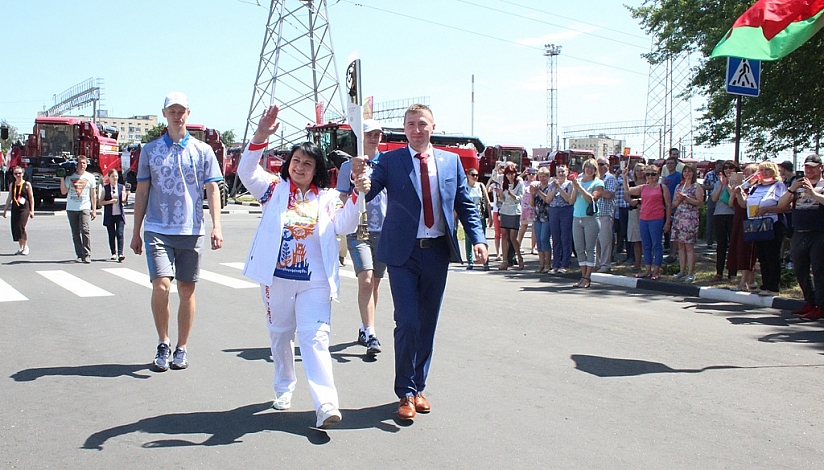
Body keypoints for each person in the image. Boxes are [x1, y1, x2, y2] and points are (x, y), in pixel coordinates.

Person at [352, 103, 488, 421]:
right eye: (411, 124)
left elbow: (465, 205)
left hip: (437, 251)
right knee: (408, 322)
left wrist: (479, 239)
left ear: (432, 126)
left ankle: (418, 387)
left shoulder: (451, 162)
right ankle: (405, 392)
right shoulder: (391, 160)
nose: (417, 129)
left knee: (427, 323)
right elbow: (368, 192)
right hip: (403, 253)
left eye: (422, 123)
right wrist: (360, 180)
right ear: (404, 129)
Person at [239, 106, 367, 429]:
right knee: (281, 335)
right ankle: (284, 385)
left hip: (315, 281)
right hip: (277, 279)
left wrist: (358, 193)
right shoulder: (273, 190)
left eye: (307, 164)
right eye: (296, 161)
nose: (299, 167)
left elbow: (346, 225)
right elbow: (246, 171)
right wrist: (261, 135)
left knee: (315, 337)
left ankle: (326, 404)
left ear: (316, 170)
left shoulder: (327, 198)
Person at [130, 92, 224, 372]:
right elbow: (142, 191)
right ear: (164, 114)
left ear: (188, 113)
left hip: (191, 229)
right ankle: (163, 341)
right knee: (161, 286)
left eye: (181, 111)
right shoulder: (150, 150)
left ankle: (182, 347)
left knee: (186, 289)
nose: (177, 115)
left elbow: (213, 189)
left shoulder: (202, 150)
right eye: (172, 111)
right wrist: (136, 231)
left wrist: (217, 225)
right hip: (157, 228)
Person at [336, 118, 387, 356]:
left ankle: (365, 326)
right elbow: (342, 198)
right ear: (361, 136)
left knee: (375, 282)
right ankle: (371, 334)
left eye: (377, 134)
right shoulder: (349, 166)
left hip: (383, 230)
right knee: (365, 279)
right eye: (369, 134)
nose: (373, 138)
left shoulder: (386, 163)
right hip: (359, 230)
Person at [780, 155, 824, 319]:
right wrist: (792, 189)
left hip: (819, 233)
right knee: (800, 269)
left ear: (821, 167)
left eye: (813, 167)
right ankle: (809, 301)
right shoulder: (797, 185)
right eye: (807, 167)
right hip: (799, 233)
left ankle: (821, 305)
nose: (809, 170)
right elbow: (781, 204)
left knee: (819, 270)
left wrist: (813, 192)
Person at [740, 161, 787, 296]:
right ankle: (765, 284)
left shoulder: (778, 186)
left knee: (771, 255)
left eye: (767, 170)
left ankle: (773, 287)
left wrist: (767, 209)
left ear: (774, 171)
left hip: (773, 224)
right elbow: (745, 204)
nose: (764, 172)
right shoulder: (755, 187)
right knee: (762, 256)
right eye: (762, 170)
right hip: (757, 225)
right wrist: (738, 193)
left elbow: (785, 206)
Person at [623, 163, 671, 280]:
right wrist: (625, 177)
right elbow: (628, 191)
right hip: (644, 219)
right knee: (646, 245)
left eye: (653, 174)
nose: (650, 176)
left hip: (657, 218)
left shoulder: (662, 187)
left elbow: (668, 205)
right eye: (648, 174)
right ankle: (647, 269)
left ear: (658, 175)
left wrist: (667, 222)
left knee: (657, 245)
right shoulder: (643, 187)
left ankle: (656, 271)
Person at [570, 158, 604, 288]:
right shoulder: (578, 181)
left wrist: (580, 188)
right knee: (579, 248)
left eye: (592, 167)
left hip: (590, 218)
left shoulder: (598, 183)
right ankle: (583, 276)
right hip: (577, 217)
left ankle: (587, 277)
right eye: (587, 167)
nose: (589, 170)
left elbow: (592, 199)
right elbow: (571, 200)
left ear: (595, 170)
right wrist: (575, 187)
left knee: (590, 248)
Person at [59, 155, 97, 263]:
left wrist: (94, 210)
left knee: (85, 230)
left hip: (84, 207)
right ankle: (79, 254)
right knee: (75, 232)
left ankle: (87, 254)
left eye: (84, 163)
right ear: (76, 164)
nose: (82, 165)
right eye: (80, 163)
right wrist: (61, 178)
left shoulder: (90, 177)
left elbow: (93, 194)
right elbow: (63, 191)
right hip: (71, 208)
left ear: (86, 165)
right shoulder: (70, 177)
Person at [670, 163, 704, 283]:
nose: (687, 174)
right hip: (679, 217)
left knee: (689, 246)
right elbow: (674, 203)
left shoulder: (696, 186)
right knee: (680, 245)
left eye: (689, 171)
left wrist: (687, 198)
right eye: (685, 171)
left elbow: (700, 202)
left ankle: (690, 273)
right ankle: (682, 270)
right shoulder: (679, 186)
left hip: (690, 218)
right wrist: (679, 199)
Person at [727, 163, 758, 292]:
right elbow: (731, 203)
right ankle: (750, 281)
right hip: (739, 220)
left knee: (746, 250)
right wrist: (733, 191)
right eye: (745, 173)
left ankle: (744, 282)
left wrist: (739, 193)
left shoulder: (756, 189)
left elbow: (744, 204)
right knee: (739, 248)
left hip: (749, 220)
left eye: (750, 173)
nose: (746, 176)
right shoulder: (743, 187)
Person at [710, 161, 738, 282]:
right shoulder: (718, 182)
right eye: (725, 168)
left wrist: (728, 186)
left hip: (733, 215)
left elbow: (736, 199)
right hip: (719, 214)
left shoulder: (738, 182)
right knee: (721, 244)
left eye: (731, 168)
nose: (728, 170)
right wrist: (722, 185)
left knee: (733, 244)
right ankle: (719, 272)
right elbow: (714, 198)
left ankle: (732, 273)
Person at [496, 163, 525, 270]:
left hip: (514, 211)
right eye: (508, 174)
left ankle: (519, 257)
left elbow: (519, 198)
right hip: (505, 211)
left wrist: (511, 194)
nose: (510, 176)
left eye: (512, 174)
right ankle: (505, 261)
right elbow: (502, 200)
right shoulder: (504, 183)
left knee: (513, 237)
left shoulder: (519, 183)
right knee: (504, 236)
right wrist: (500, 194)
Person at [547, 165, 574, 274]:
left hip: (565, 210)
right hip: (554, 210)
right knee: (555, 238)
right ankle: (556, 264)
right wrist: (555, 188)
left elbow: (568, 199)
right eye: (559, 172)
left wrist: (559, 187)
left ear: (567, 172)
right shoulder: (552, 184)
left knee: (565, 237)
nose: (561, 174)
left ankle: (565, 264)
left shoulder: (570, 184)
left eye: (563, 171)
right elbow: (548, 199)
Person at [2, 166, 34, 255]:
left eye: (19, 173)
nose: (18, 175)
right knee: (15, 227)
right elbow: (9, 197)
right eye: (16, 173)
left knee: (21, 226)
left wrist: (32, 210)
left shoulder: (27, 184)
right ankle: (21, 247)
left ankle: (26, 246)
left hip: (24, 208)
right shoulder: (12, 184)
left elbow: (31, 198)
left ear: (23, 174)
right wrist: (5, 209)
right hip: (15, 207)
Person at [99, 168, 129, 262]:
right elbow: (101, 202)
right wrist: (110, 201)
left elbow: (123, 200)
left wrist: (126, 194)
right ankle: (113, 253)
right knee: (111, 234)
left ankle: (120, 253)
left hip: (119, 214)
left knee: (120, 233)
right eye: (113, 176)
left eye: (116, 176)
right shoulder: (105, 188)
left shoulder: (121, 187)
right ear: (109, 177)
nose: (115, 178)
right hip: (109, 215)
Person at [465, 167, 492, 271]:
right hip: (468, 217)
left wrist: (490, 216)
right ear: (468, 175)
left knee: (482, 239)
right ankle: (470, 261)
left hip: (480, 216)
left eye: (476, 175)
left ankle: (485, 261)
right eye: (473, 175)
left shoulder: (481, 186)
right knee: (469, 239)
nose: (475, 177)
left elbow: (487, 202)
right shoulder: (465, 187)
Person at [595, 157, 618, 273]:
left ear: (607, 166)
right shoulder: (595, 178)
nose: (599, 166)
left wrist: (597, 190)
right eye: (597, 164)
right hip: (594, 214)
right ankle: (596, 264)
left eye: (601, 164)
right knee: (595, 241)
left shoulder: (610, 178)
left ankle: (605, 264)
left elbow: (608, 194)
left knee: (605, 241)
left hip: (605, 214)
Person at [530, 167, 552, 272]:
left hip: (547, 216)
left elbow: (547, 200)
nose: (542, 179)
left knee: (544, 239)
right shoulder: (537, 187)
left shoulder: (550, 187)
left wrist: (538, 191)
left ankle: (548, 264)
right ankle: (541, 264)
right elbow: (532, 204)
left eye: (544, 176)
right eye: (540, 176)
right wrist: (532, 194)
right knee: (538, 240)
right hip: (537, 216)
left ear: (548, 177)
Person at [624, 163, 645, 272]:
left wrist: (640, 202)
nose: (640, 172)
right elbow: (625, 195)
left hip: (647, 213)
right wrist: (632, 201)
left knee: (647, 240)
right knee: (636, 239)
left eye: (642, 170)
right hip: (633, 212)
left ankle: (648, 264)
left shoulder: (649, 184)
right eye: (637, 170)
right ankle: (637, 263)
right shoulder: (631, 184)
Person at [662, 151, 682, 263]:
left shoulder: (678, 176)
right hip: (666, 207)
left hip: (675, 207)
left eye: (671, 163)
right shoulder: (666, 178)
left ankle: (674, 254)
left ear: (675, 164)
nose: (669, 165)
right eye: (668, 163)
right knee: (668, 231)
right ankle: (671, 252)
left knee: (675, 232)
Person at [702, 160, 723, 247]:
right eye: (719, 166)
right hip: (712, 198)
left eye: (722, 166)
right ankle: (709, 241)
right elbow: (704, 186)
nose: (720, 168)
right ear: (716, 165)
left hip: (722, 199)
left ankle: (721, 241)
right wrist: (715, 186)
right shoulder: (709, 174)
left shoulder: (724, 175)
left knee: (721, 220)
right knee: (710, 220)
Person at [517, 168, 536, 255]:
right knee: (523, 227)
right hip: (524, 208)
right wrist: (523, 173)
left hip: (534, 207)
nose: (531, 176)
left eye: (533, 174)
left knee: (534, 228)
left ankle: (533, 247)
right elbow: (517, 179)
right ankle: (518, 245)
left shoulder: (537, 183)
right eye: (529, 174)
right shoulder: (523, 183)